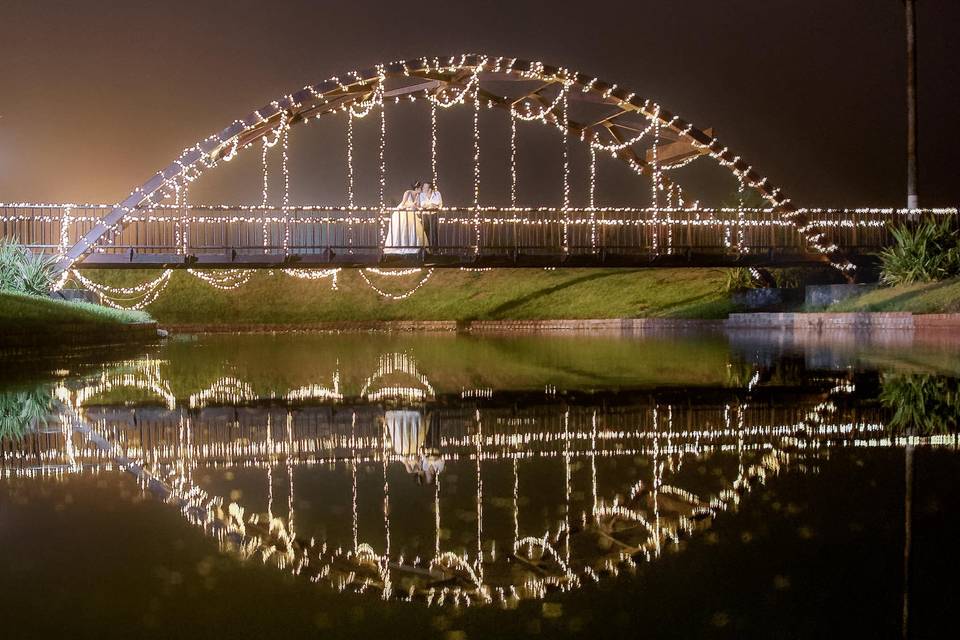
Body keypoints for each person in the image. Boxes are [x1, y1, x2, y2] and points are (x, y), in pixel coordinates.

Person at [384, 181, 428, 254]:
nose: (422, 189)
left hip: (411, 214)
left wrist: (418, 207)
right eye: (421, 188)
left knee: (413, 229)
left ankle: (414, 246)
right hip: (403, 214)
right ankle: (400, 246)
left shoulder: (418, 196)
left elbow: (417, 206)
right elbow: (402, 205)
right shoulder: (408, 192)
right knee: (403, 229)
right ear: (417, 188)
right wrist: (410, 206)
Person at [416, 181, 443, 248]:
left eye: (425, 187)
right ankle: (427, 248)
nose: (423, 188)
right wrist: (432, 204)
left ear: (430, 189)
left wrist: (432, 205)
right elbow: (422, 205)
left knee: (435, 231)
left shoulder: (437, 194)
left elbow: (439, 204)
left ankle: (435, 249)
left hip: (434, 214)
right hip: (425, 215)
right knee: (425, 231)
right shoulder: (422, 195)